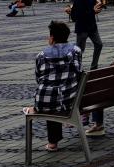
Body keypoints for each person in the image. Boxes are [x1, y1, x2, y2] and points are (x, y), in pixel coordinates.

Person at [24, 20, 84, 153]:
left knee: (51, 95)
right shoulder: (76, 51)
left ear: (52, 38)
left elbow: (38, 78)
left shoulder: (41, 55)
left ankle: (52, 143)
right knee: (59, 93)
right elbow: (79, 71)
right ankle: (54, 140)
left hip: (45, 103)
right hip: (70, 100)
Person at [68, 0, 105, 69]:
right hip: (82, 26)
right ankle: (75, 67)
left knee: (99, 44)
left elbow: (94, 5)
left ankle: (94, 66)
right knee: (80, 50)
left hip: (92, 26)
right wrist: (93, 11)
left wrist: (100, 4)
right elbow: (80, 13)